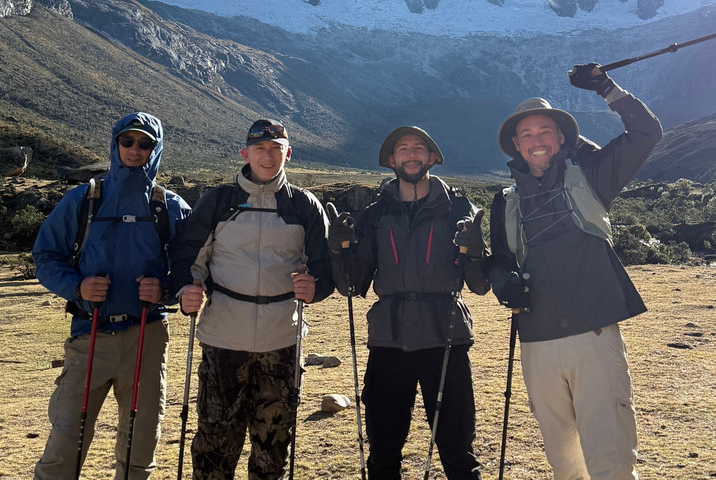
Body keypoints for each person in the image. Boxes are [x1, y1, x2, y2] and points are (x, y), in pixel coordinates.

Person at [486, 64, 662, 480]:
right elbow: (499, 260)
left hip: (593, 333)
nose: (536, 141)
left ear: (563, 137)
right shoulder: (504, 201)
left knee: (610, 457)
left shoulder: (593, 177)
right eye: (526, 135)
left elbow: (646, 133)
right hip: (537, 341)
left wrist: (606, 87)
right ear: (516, 145)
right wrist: (500, 282)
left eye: (545, 131)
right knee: (564, 462)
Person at [170, 119, 333, 480]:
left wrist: (316, 288)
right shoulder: (219, 202)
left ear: (287, 154)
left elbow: (323, 267)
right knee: (214, 446)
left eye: (276, 150)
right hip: (223, 340)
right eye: (260, 149)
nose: (268, 156)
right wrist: (186, 291)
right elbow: (186, 259)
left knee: (273, 450)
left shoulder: (304, 206)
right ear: (245, 153)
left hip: (282, 341)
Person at [32, 112, 191, 480]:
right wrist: (78, 287)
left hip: (147, 337)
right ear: (115, 144)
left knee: (141, 442)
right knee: (65, 440)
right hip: (90, 334)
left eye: (145, 143)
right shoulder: (84, 200)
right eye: (128, 141)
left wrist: (165, 289)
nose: (135, 150)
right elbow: (46, 256)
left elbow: (190, 267)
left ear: (156, 149)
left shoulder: (169, 207)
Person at [328, 126, 490, 480]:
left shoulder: (459, 210)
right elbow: (352, 286)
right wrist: (337, 250)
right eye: (403, 148)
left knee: (457, 449)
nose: (411, 154)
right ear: (391, 160)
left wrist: (477, 252)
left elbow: (479, 286)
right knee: (384, 449)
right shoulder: (373, 215)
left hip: (445, 338)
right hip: (389, 341)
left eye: (419, 148)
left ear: (432, 158)